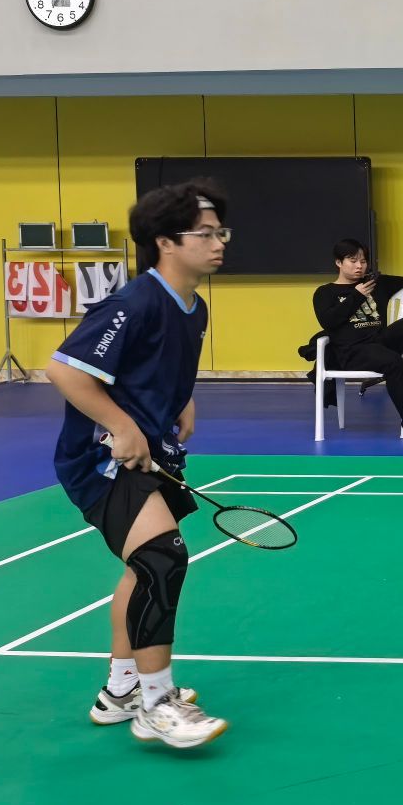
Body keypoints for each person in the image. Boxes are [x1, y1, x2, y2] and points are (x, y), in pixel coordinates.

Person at [45, 180, 231, 750]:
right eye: (205, 233)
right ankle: (156, 704)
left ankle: (121, 690)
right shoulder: (134, 302)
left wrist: (183, 398)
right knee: (161, 559)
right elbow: (65, 369)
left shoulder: (192, 306)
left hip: (154, 456)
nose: (219, 243)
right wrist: (122, 426)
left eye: (221, 232)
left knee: (141, 568)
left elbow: (157, 367)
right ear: (166, 241)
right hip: (103, 457)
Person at [310, 239, 403, 443]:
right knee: (394, 362)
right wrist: (356, 295)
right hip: (350, 351)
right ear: (338, 262)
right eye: (353, 261)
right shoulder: (324, 293)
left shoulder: (375, 284)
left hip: (378, 342)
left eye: (363, 261)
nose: (359, 266)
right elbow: (329, 321)